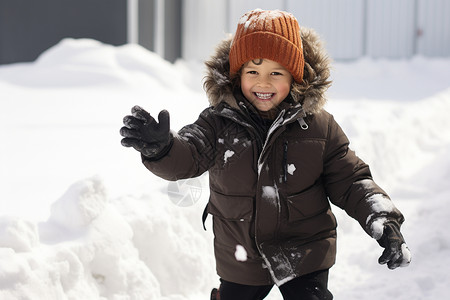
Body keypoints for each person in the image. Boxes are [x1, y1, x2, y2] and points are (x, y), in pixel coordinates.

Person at [120, 9, 411, 300]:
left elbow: (351, 181)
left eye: (276, 72)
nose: (263, 83)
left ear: (296, 76)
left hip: (304, 251)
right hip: (241, 252)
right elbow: (189, 154)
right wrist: (163, 149)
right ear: (237, 75)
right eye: (252, 71)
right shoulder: (217, 122)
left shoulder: (320, 127)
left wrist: (383, 219)